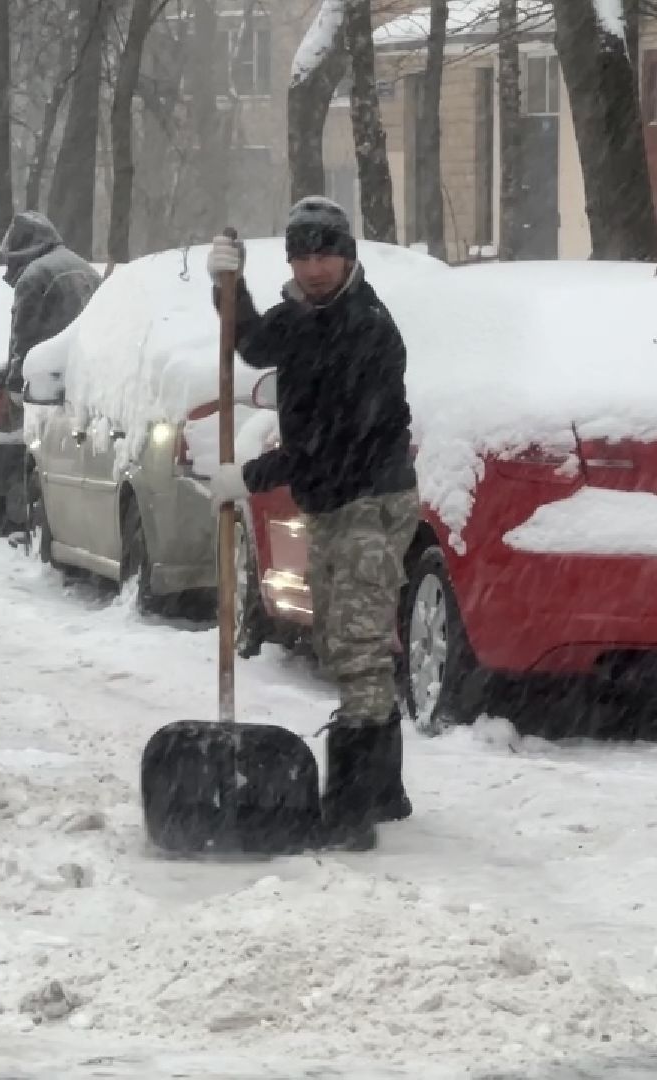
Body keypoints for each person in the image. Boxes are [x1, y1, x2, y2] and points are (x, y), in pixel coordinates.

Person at [203, 198, 418, 852]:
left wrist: (253, 475)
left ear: (348, 256)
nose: (314, 267)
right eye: (302, 255)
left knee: (354, 644)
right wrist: (227, 288)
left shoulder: (365, 327)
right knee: (343, 634)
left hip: (369, 498)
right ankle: (383, 788)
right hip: (332, 502)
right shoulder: (302, 313)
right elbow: (254, 343)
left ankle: (350, 810)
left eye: (325, 254)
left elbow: (335, 440)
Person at [0, 211, 103, 390]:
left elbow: (23, 338)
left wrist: (15, 385)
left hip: (48, 384)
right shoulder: (87, 269)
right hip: (90, 377)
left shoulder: (33, 277)